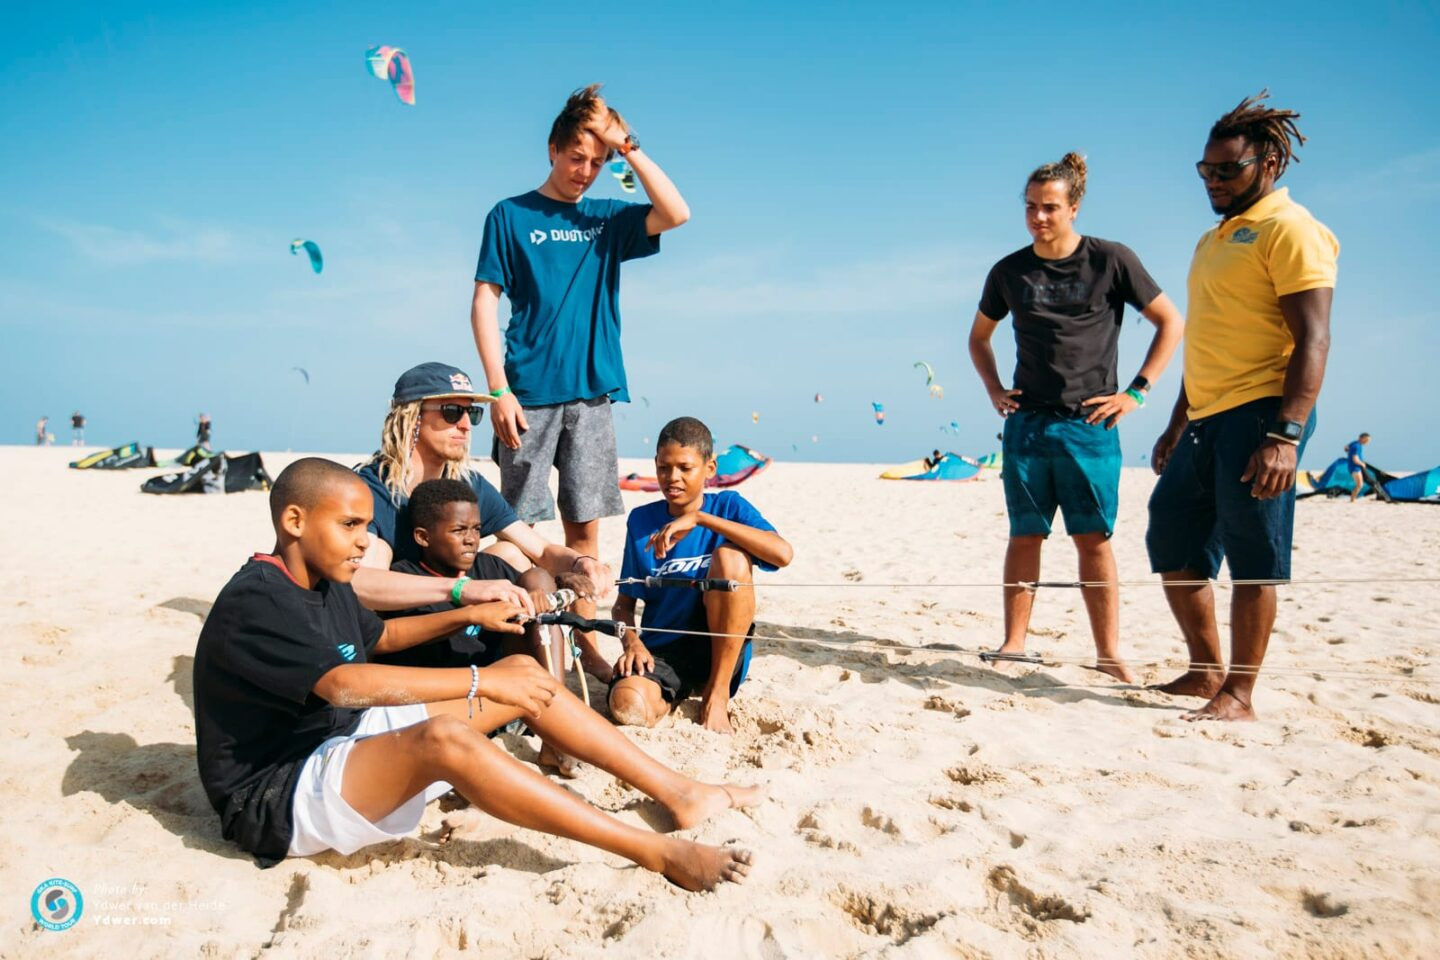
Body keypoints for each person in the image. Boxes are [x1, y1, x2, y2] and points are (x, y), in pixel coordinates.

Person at [192, 457, 759, 889]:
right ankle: (652, 851)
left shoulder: (328, 581)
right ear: (294, 520)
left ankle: (679, 791)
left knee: (523, 672)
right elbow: (344, 683)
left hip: (338, 736)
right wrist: (478, 682)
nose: (366, 540)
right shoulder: (258, 598)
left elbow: (380, 637)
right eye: (350, 526)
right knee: (449, 735)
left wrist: (468, 614)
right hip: (276, 795)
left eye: (367, 525)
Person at [1147, 91, 1336, 721]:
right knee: (1172, 536)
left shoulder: (1292, 230)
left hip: (1262, 412)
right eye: (1206, 170)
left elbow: (1313, 336)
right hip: (1204, 418)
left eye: (1229, 170)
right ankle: (1205, 673)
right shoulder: (1215, 238)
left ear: (1271, 162)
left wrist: (1286, 434)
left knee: (1253, 550)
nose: (1215, 181)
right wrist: (1177, 422)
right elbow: (1207, 336)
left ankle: (1240, 692)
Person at [968, 152, 1184, 682]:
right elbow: (978, 338)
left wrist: (1136, 392)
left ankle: (1108, 653)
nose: (1039, 217)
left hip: (1090, 424)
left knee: (1094, 539)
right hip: (1027, 425)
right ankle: (1013, 643)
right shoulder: (1009, 270)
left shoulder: (1111, 259)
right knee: (1025, 536)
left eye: (1049, 208)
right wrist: (995, 388)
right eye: (1030, 208)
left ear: (1074, 208)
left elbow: (1170, 322)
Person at [470, 83, 689, 566]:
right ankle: (521, 635)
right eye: (576, 158)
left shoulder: (607, 219)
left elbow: (677, 213)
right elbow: (484, 301)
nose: (585, 172)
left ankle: (584, 640)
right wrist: (497, 390)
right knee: (515, 532)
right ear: (552, 150)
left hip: (591, 396)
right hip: (526, 394)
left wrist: (627, 147)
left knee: (583, 536)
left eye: (597, 162)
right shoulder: (509, 215)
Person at [354, 363, 616, 686]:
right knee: (378, 550)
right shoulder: (372, 488)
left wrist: (582, 562)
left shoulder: (467, 484)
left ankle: (547, 690)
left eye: (471, 414)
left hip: (461, 617)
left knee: (514, 554)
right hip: (403, 631)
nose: (465, 425)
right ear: (412, 417)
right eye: (452, 412)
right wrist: (464, 590)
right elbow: (361, 585)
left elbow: (542, 549)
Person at [609, 418, 793, 734]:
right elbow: (623, 605)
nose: (673, 477)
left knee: (731, 558)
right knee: (627, 703)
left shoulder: (728, 506)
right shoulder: (641, 521)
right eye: (664, 468)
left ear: (709, 469)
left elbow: (782, 554)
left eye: (685, 468)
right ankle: (668, 695)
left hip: (719, 652)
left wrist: (701, 519)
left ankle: (716, 695)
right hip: (662, 653)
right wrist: (632, 643)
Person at [1346, 432, 1371, 502]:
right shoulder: (1357, 446)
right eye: (1366, 440)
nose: (1367, 442)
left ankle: (1353, 499)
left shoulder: (1354, 443)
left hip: (1353, 466)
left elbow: (1346, 447)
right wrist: (1362, 464)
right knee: (1359, 484)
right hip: (1355, 467)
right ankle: (1352, 499)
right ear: (1362, 438)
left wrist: (1349, 452)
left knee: (1359, 484)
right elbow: (1355, 459)